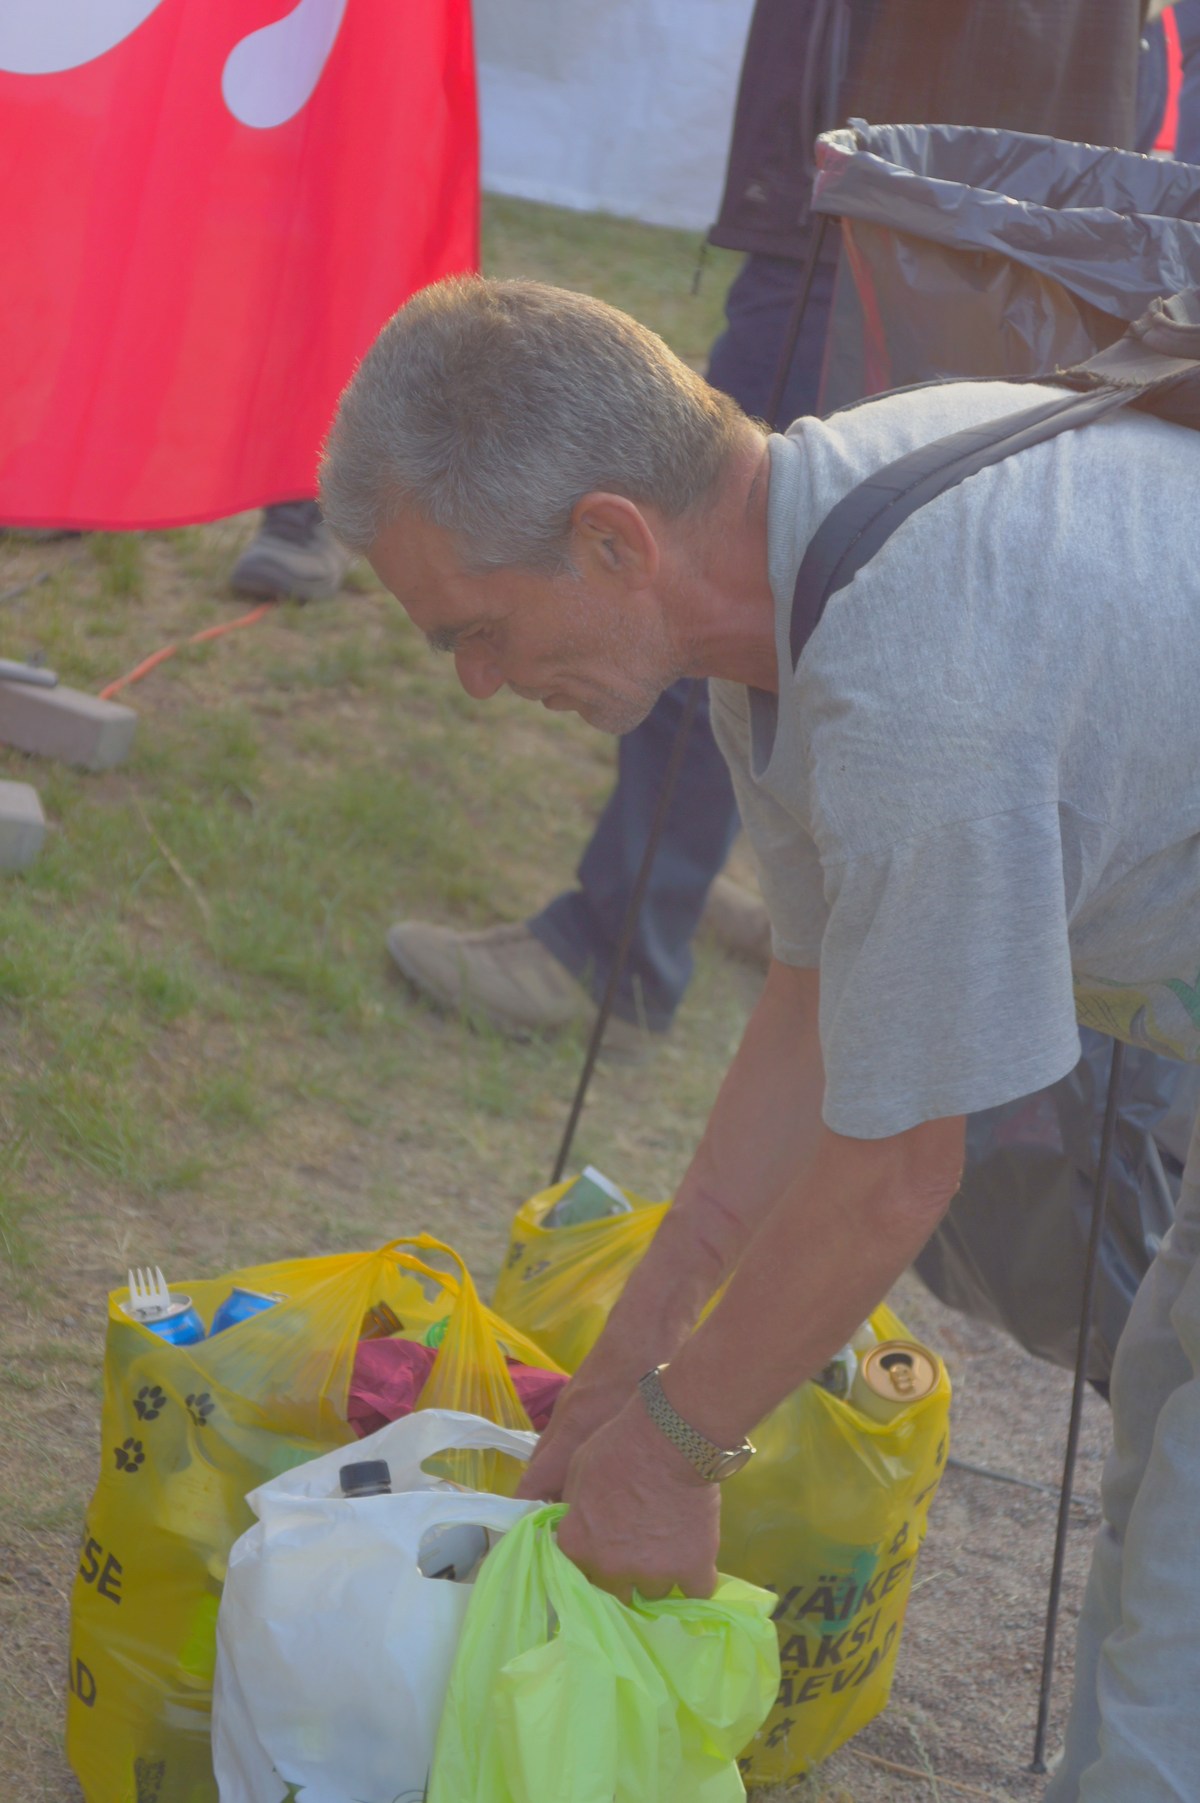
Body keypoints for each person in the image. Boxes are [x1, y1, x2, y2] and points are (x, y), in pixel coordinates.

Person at [320, 275, 1200, 1801]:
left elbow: (892, 1170)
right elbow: (811, 1016)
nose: (476, 680)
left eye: (479, 628)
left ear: (614, 540)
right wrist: (630, 1357)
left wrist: (674, 1448)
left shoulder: (912, 678)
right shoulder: (790, 594)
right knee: (1170, 1391)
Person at [384, 0, 1148, 1054]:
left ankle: (625, 946)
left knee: (716, 567)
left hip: (909, 203)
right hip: (940, 199)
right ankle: (764, 909)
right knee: (795, 585)